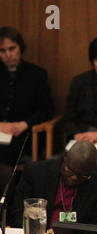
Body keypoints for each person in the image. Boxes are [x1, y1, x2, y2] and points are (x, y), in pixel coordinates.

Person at [11, 141, 97, 234]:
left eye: (82, 175)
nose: (75, 177)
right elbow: (18, 213)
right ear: (65, 158)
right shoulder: (36, 172)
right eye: (71, 170)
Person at [0, 26, 54, 192]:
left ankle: (5, 205)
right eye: (2, 51)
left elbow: (46, 109)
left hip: (24, 134)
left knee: (7, 156)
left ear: (20, 48)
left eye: (12, 49)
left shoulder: (37, 74)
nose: (8, 54)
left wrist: (24, 124)